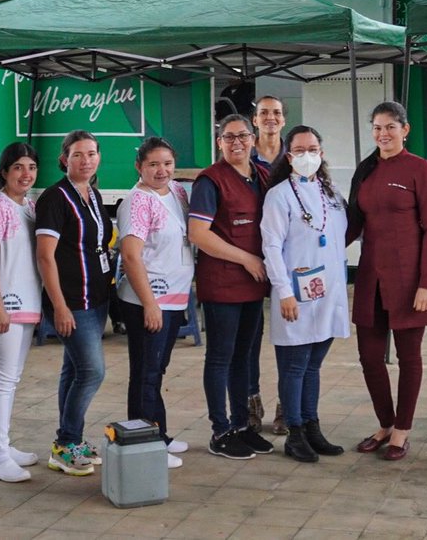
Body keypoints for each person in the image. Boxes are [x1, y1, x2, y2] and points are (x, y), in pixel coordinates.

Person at [348, 101, 427, 461]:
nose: (383, 134)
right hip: (370, 277)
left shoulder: (420, 170)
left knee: (409, 357)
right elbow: (352, 224)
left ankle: (402, 429)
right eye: (377, 127)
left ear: (405, 130)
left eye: (390, 126)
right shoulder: (367, 170)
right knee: (370, 356)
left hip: (409, 279)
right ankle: (385, 423)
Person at [262, 125, 350, 463]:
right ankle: (295, 432)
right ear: (289, 156)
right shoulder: (280, 195)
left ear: (322, 153)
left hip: (327, 293)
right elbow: (270, 245)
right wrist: (283, 292)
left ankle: (312, 426)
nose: (307, 156)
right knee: (295, 366)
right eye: (299, 150)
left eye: (313, 149)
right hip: (294, 294)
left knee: (313, 365)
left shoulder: (330, 193)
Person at [188, 114, 275, 460]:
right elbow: (199, 235)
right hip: (224, 283)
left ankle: (242, 425)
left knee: (245, 357)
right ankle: (220, 430)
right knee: (221, 357)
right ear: (219, 142)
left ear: (253, 139)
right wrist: (246, 259)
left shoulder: (263, 176)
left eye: (242, 136)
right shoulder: (210, 182)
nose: (236, 143)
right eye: (228, 137)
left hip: (254, 285)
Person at [36, 130, 112, 476]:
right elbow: (46, 258)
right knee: (92, 372)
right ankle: (67, 442)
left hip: (97, 298)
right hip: (73, 301)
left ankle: (68, 442)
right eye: (78, 154)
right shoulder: (55, 198)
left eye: (92, 153)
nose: (86, 160)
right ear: (64, 158)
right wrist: (60, 306)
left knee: (75, 369)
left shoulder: (92, 194)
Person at [115, 137, 195, 470]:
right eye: (153, 164)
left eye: (167, 163)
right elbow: (131, 256)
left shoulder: (175, 192)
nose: (161, 170)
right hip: (149, 300)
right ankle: (145, 442)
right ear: (139, 167)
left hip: (175, 298)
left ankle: (158, 431)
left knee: (157, 369)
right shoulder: (137, 201)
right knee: (146, 371)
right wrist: (149, 304)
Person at [0, 143, 42, 483]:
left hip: (28, 303)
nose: (26, 173)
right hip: (4, 307)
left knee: (12, 379)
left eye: (31, 167)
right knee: (2, 379)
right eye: (18, 167)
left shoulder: (29, 206)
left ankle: (1, 446)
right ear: (4, 171)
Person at [249, 95, 287, 434]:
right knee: (250, 336)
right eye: (264, 113)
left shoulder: (297, 156)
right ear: (255, 120)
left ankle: (285, 406)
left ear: (283, 120)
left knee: (289, 335)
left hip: (288, 259)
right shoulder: (242, 156)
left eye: (276, 113)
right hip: (251, 259)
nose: (270, 118)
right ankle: (251, 403)